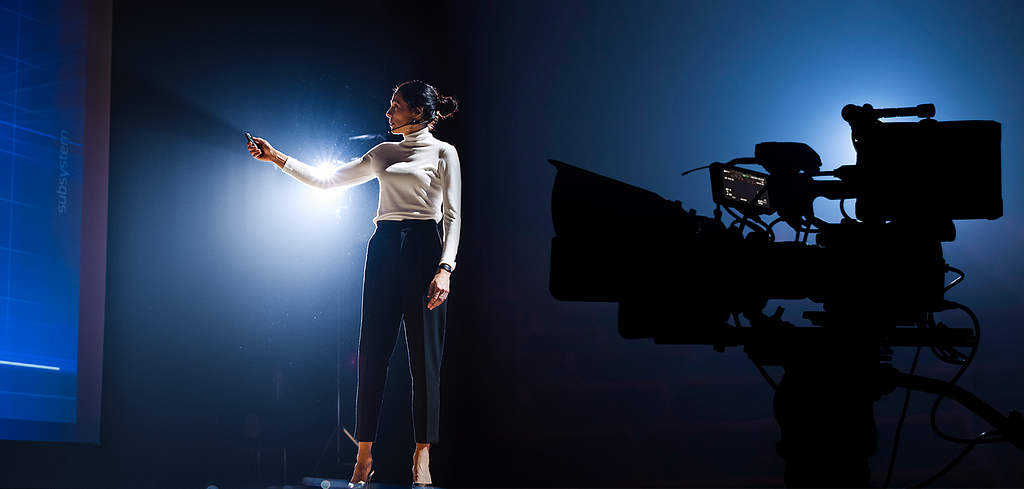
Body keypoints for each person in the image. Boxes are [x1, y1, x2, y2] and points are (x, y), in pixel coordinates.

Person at [247, 80, 460, 486]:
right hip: (383, 248)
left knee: (424, 360)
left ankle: (422, 456)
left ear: (417, 112)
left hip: (424, 249)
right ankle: (364, 456)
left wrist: (445, 268)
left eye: (395, 107)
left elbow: (453, 216)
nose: (388, 113)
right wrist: (277, 158)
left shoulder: (443, 153)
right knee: (372, 352)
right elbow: (329, 181)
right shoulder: (383, 152)